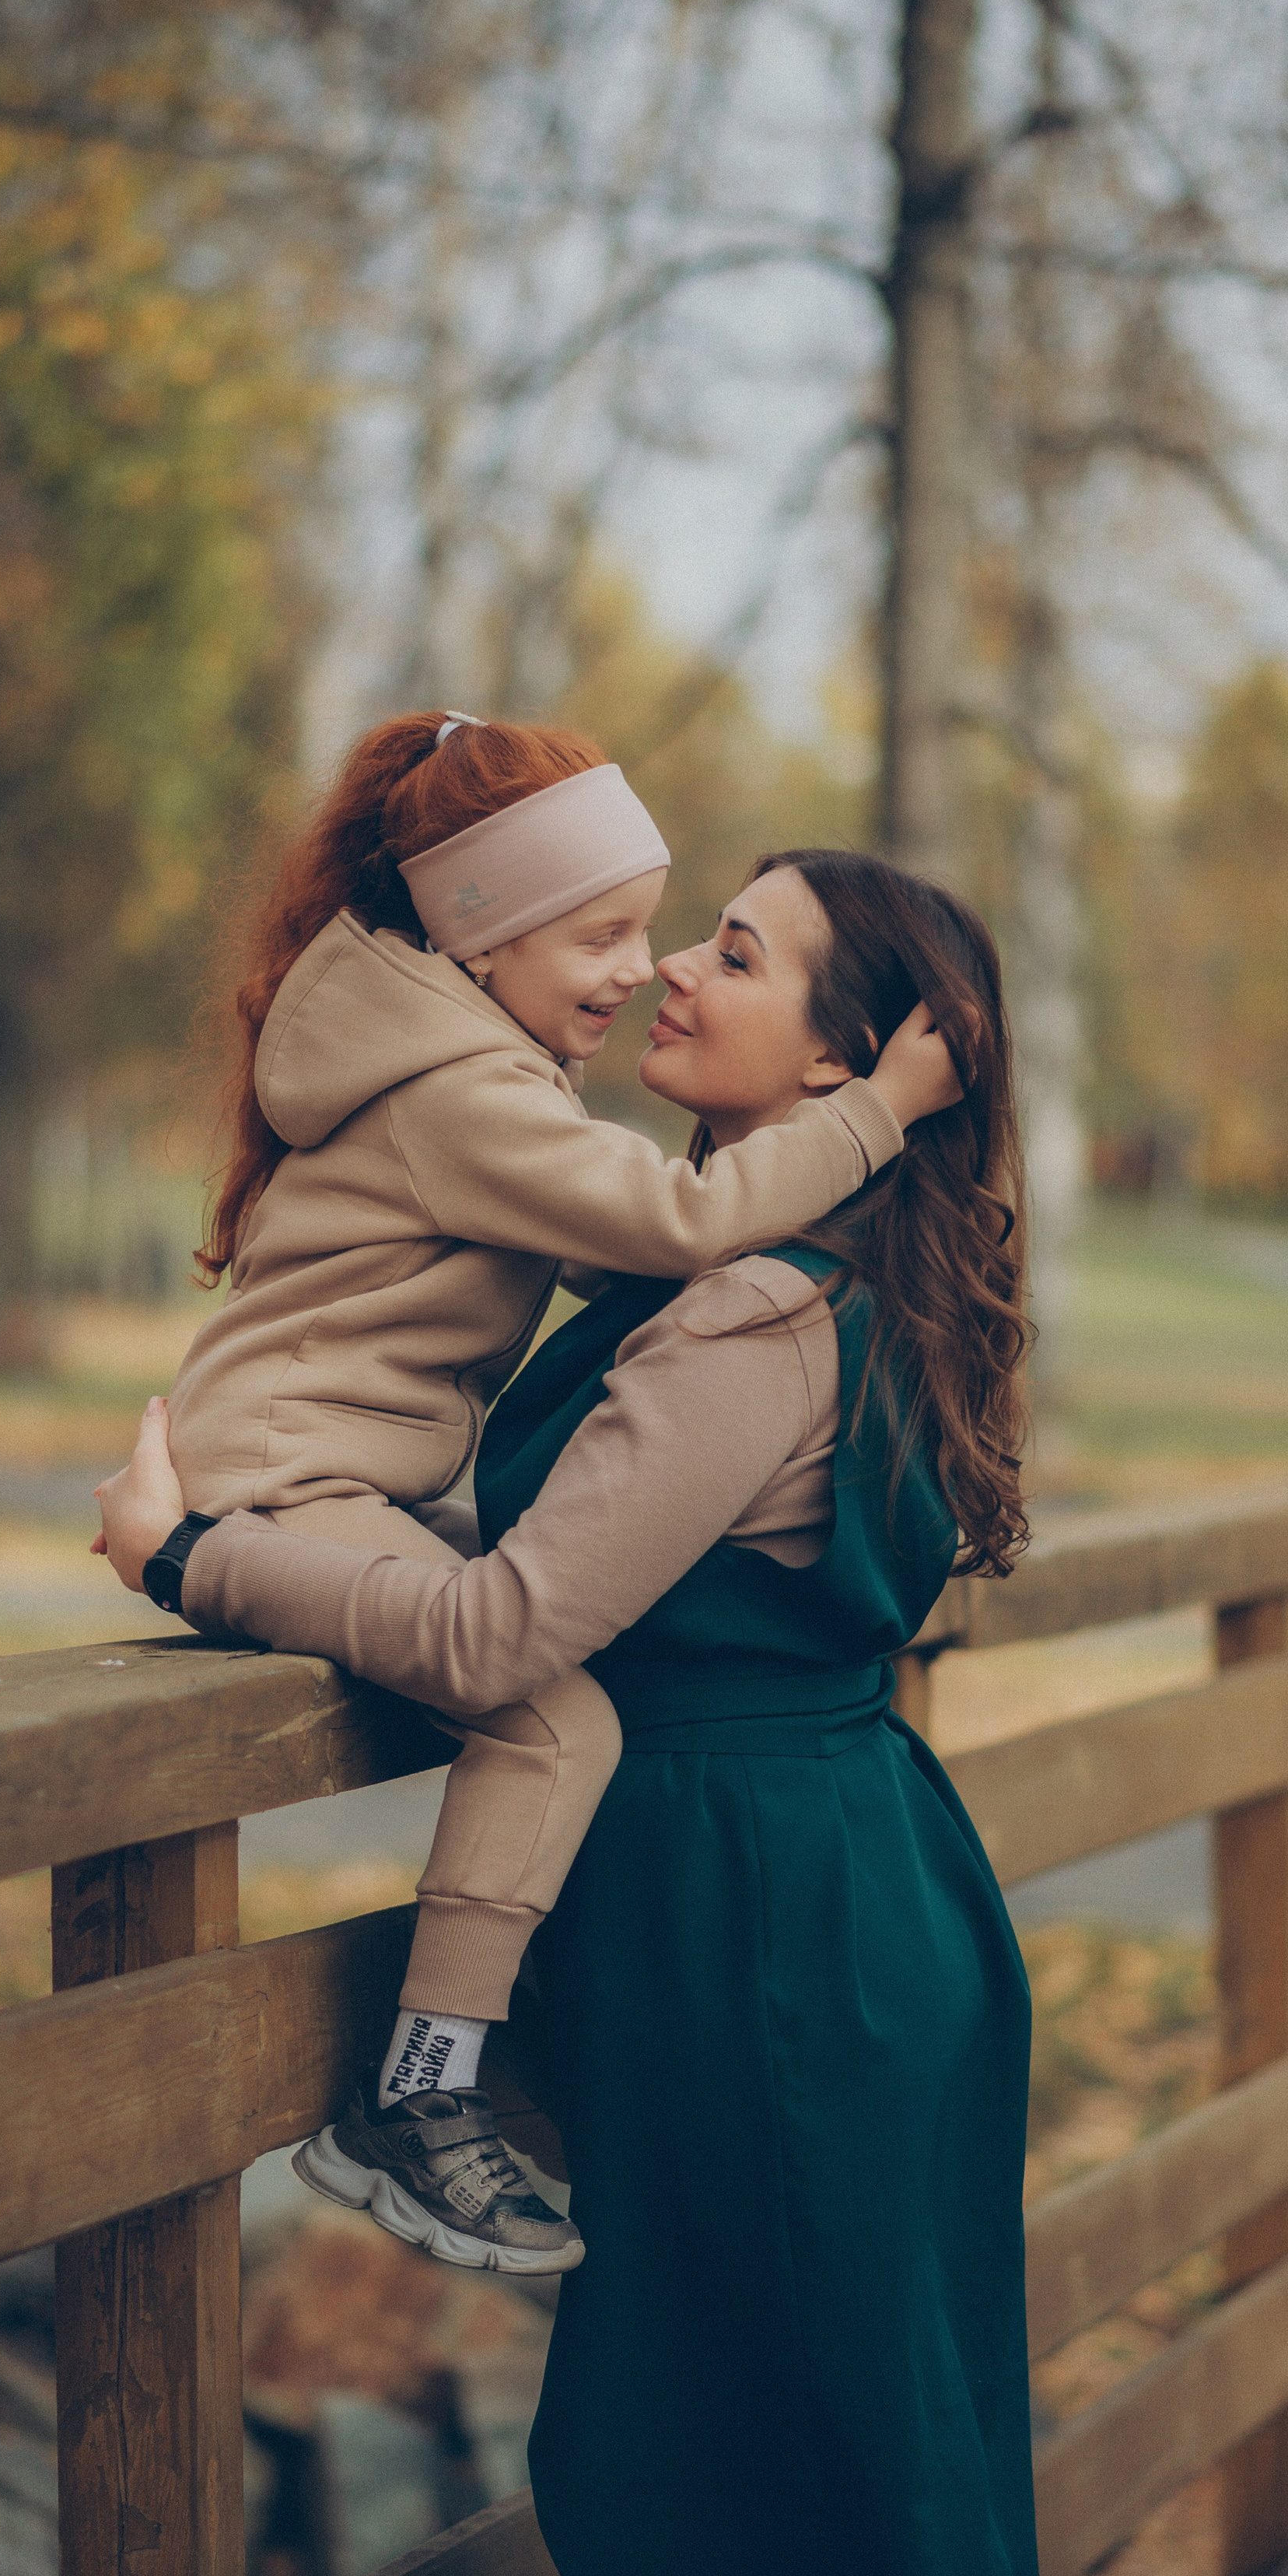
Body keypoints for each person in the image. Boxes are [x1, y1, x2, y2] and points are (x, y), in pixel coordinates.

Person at [96, 845, 1133, 2576]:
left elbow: (498, 1634)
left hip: (763, 1942)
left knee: (878, 2519)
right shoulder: (794, 1272)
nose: (672, 965)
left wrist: (193, 1557)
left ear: (846, 1057)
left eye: (733, 955)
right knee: (860, 2475)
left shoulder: (750, 1310)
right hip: (835, 1896)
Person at [114, 711, 957, 2279]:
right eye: (606, 934)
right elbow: (687, 1221)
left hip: (340, 1464)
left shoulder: (467, 1076)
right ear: (485, 932)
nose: (640, 969)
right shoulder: (467, 1099)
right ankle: (419, 2096)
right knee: (553, 1714)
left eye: (663, 936)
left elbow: (630, 1250)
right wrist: (878, 1111)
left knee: (507, 1619)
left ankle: (438, 2080)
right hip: (293, 1474)